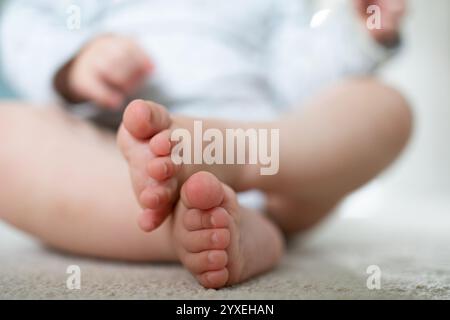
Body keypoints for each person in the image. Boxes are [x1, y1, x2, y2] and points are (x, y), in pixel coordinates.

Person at [0, 0, 411, 288]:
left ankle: (236, 163)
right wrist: (76, 60)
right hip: (118, 171)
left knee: (383, 105)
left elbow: (297, 74)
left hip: (273, 167)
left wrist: (356, 34)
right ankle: (194, 228)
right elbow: (23, 23)